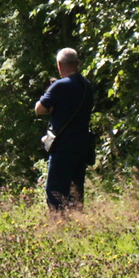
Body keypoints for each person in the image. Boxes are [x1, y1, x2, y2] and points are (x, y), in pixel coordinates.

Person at [35, 48, 96, 212]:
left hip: (64, 146)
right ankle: (77, 221)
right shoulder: (87, 86)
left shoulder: (60, 86)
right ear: (78, 64)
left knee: (55, 190)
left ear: (59, 65)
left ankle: (58, 224)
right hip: (83, 144)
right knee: (75, 189)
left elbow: (39, 109)